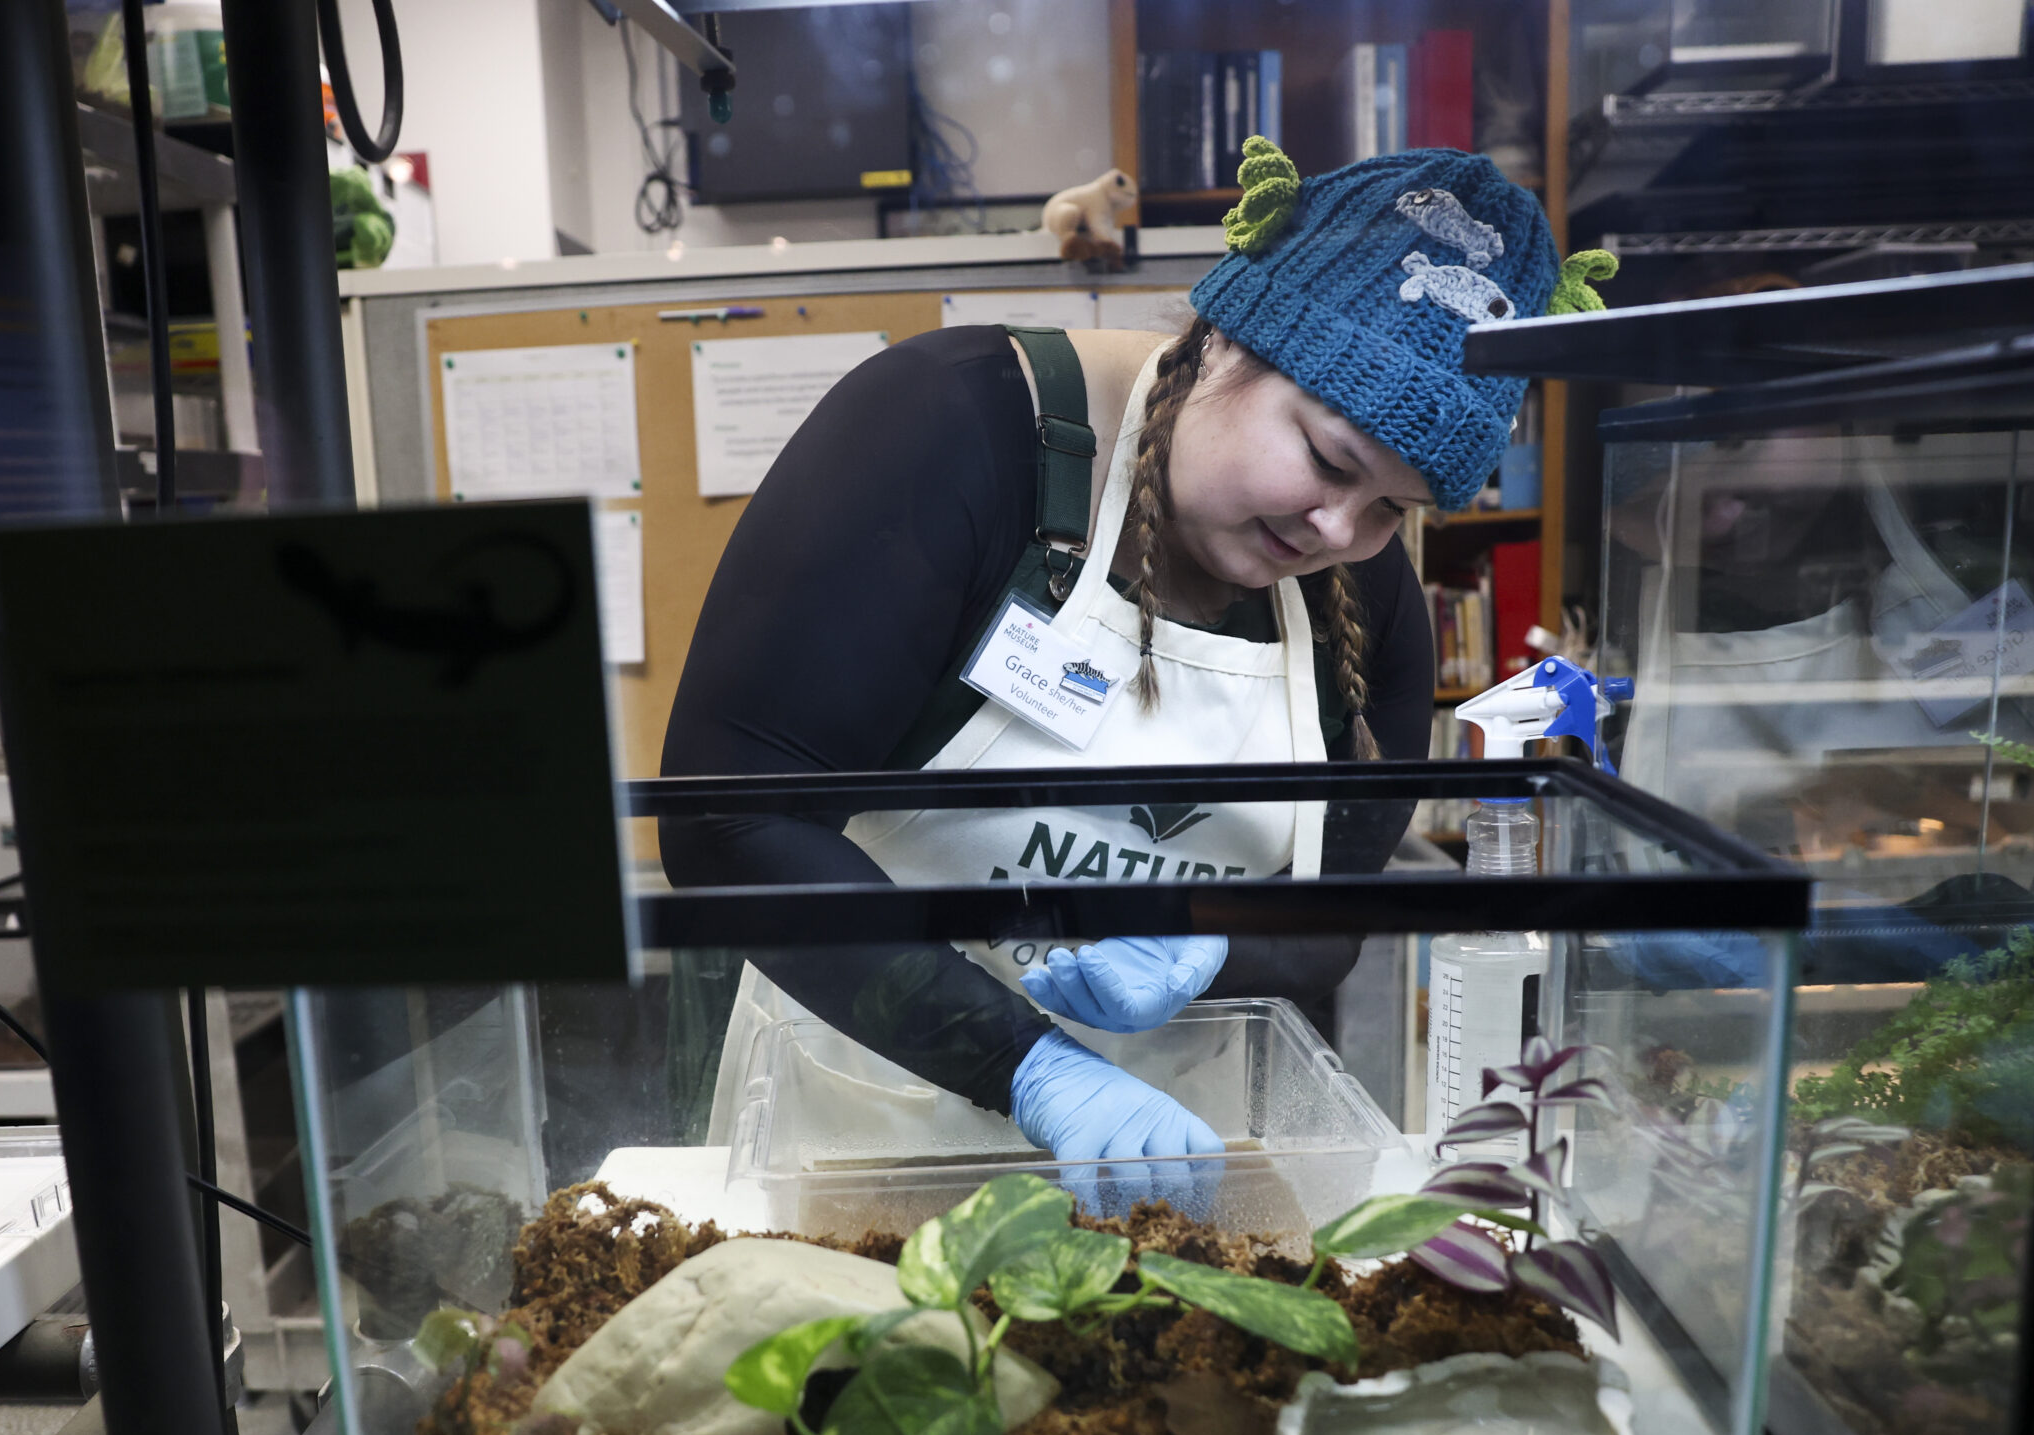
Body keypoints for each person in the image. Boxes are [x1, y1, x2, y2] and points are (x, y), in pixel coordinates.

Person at [659, 146, 1579, 1186]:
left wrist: (1211, 951)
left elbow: (1332, 913)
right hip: (864, 1141)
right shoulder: (954, 434)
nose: (1336, 527)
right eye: (1327, 459)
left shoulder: (1359, 604)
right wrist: (1033, 1068)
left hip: (1175, 1169)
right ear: (1228, 340)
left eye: (1392, 510)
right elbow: (730, 827)